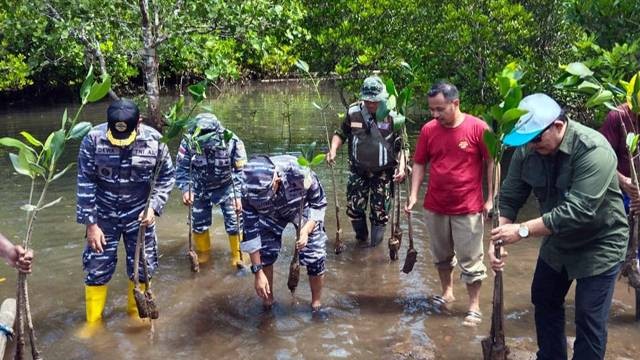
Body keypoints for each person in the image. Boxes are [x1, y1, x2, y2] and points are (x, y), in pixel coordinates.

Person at [490, 93, 627, 359]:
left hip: (600, 243)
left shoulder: (593, 150)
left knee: (589, 316)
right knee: (543, 298)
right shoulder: (528, 149)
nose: (531, 145)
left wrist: (521, 231)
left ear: (559, 126)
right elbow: (510, 196)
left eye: (536, 138)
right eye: (526, 140)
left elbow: (578, 211)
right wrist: (498, 238)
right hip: (557, 241)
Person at [76, 99, 175, 335]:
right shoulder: (93, 139)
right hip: (103, 216)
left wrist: (153, 208)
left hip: (139, 215)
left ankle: (136, 314)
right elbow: (85, 182)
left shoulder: (155, 142)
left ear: (138, 123)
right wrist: (91, 224)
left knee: (142, 267)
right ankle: (92, 324)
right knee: (96, 268)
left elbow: (166, 178)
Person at [405, 81, 494, 326]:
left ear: (455, 104)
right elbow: (420, 162)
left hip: (468, 207)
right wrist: (413, 195)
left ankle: (474, 306)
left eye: (440, 109)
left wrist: (490, 199)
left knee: (472, 261)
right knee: (441, 256)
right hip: (435, 205)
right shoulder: (428, 130)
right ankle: (447, 292)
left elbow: (491, 162)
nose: (435, 115)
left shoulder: (478, 128)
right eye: (431, 110)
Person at [327, 75, 406, 248]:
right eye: (367, 101)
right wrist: (333, 150)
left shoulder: (393, 115)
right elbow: (340, 134)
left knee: (380, 213)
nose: (371, 104)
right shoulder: (353, 112)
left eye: (375, 101)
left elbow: (403, 147)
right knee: (354, 209)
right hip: (358, 170)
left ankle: (374, 249)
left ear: (383, 98)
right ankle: (361, 240)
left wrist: (401, 167)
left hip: (384, 173)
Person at [240, 155, 327, 310]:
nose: (260, 199)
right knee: (265, 253)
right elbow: (251, 231)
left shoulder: (299, 173)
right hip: (269, 214)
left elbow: (318, 203)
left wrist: (306, 230)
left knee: (315, 253)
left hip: (301, 207)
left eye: (264, 196)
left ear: (276, 182)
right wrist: (257, 272)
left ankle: (316, 304)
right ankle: (268, 302)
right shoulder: (247, 190)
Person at [175, 113, 247, 269]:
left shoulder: (231, 141)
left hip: (227, 187)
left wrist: (239, 196)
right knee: (198, 223)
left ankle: (237, 255)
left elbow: (242, 171)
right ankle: (204, 254)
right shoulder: (188, 142)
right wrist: (186, 189)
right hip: (199, 187)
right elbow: (181, 169)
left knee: (235, 221)